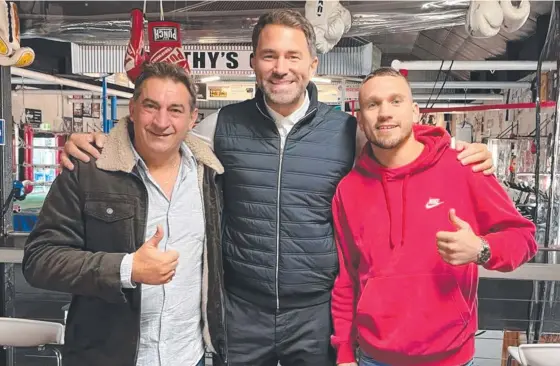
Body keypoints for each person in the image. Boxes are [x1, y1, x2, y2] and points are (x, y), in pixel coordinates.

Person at [59, 10, 495, 366]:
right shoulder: (220, 126)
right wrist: (102, 138)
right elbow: (161, 133)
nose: (281, 68)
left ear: (312, 64)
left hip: (315, 313)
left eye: (292, 56)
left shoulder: (347, 131)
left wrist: (457, 148)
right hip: (241, 310)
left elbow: (400, 143)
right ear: (254, 62)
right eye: (269, 56)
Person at [22, 62, 227, 366]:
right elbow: (39, 260)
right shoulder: (88, 170)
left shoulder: (210, 176)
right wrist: (125, 268)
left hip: (189, 356)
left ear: (192, 118)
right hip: (108, 357)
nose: (161, 121)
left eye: (175, 110)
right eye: (150, 106)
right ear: (132, 109)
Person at [331, 67, 537, 366]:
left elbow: (524, 239)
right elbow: (347, 278)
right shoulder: (348, 190)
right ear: (360, 119)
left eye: (396, 101)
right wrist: (345, 354)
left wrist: (481, 249)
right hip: (374, 358)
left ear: (415, 112)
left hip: (450, 357)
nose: (385, 113)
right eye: (373, 104)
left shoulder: (464, 168)